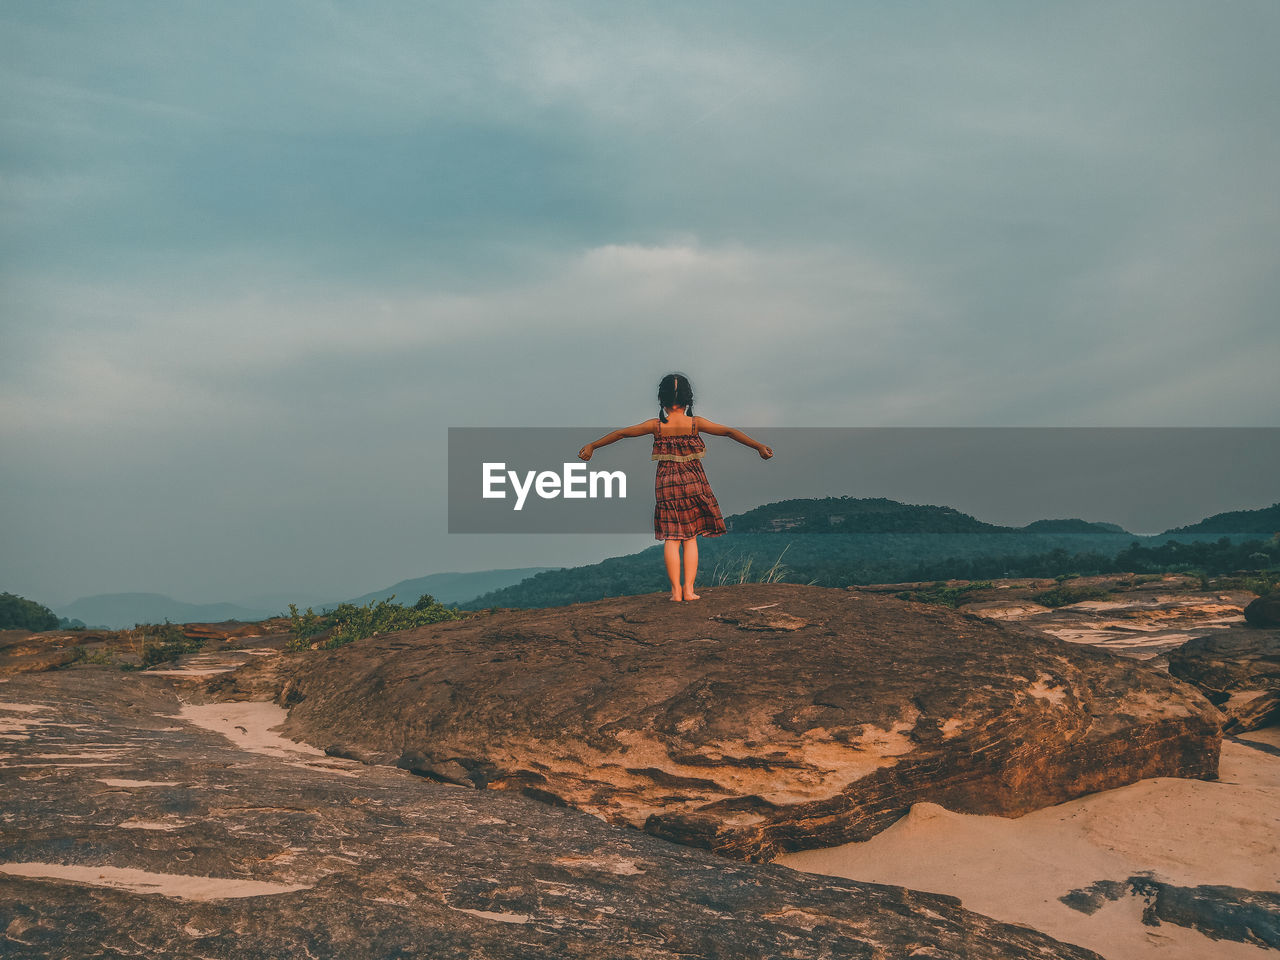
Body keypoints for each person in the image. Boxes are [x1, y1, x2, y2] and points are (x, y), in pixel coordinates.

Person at [578, 372, 773, 602]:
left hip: (666, 485)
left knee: (672, 537)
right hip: (693, 482)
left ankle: (675, 593)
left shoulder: (656, 426)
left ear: (662, 399)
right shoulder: (695, 424)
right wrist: (758, 446)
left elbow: (621, 434)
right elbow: (729, 432)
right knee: (690, 538)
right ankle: (689, 591)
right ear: (688, 399)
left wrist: (592, 446)